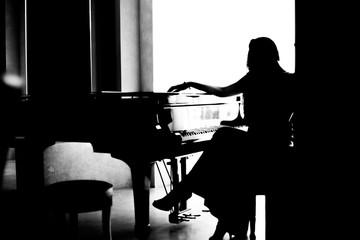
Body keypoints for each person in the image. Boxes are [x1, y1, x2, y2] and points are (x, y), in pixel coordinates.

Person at [153, 37, 297, 240]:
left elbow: (223, 92)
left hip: (267, 151)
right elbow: (223, 92)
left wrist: (190, 83)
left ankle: (185, 192)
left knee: (223, 141)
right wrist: (192, 83)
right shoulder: (283, 79)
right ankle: (218, 229)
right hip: (269, 149)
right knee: (231, 171)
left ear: (255, 56)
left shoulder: (259, 78)